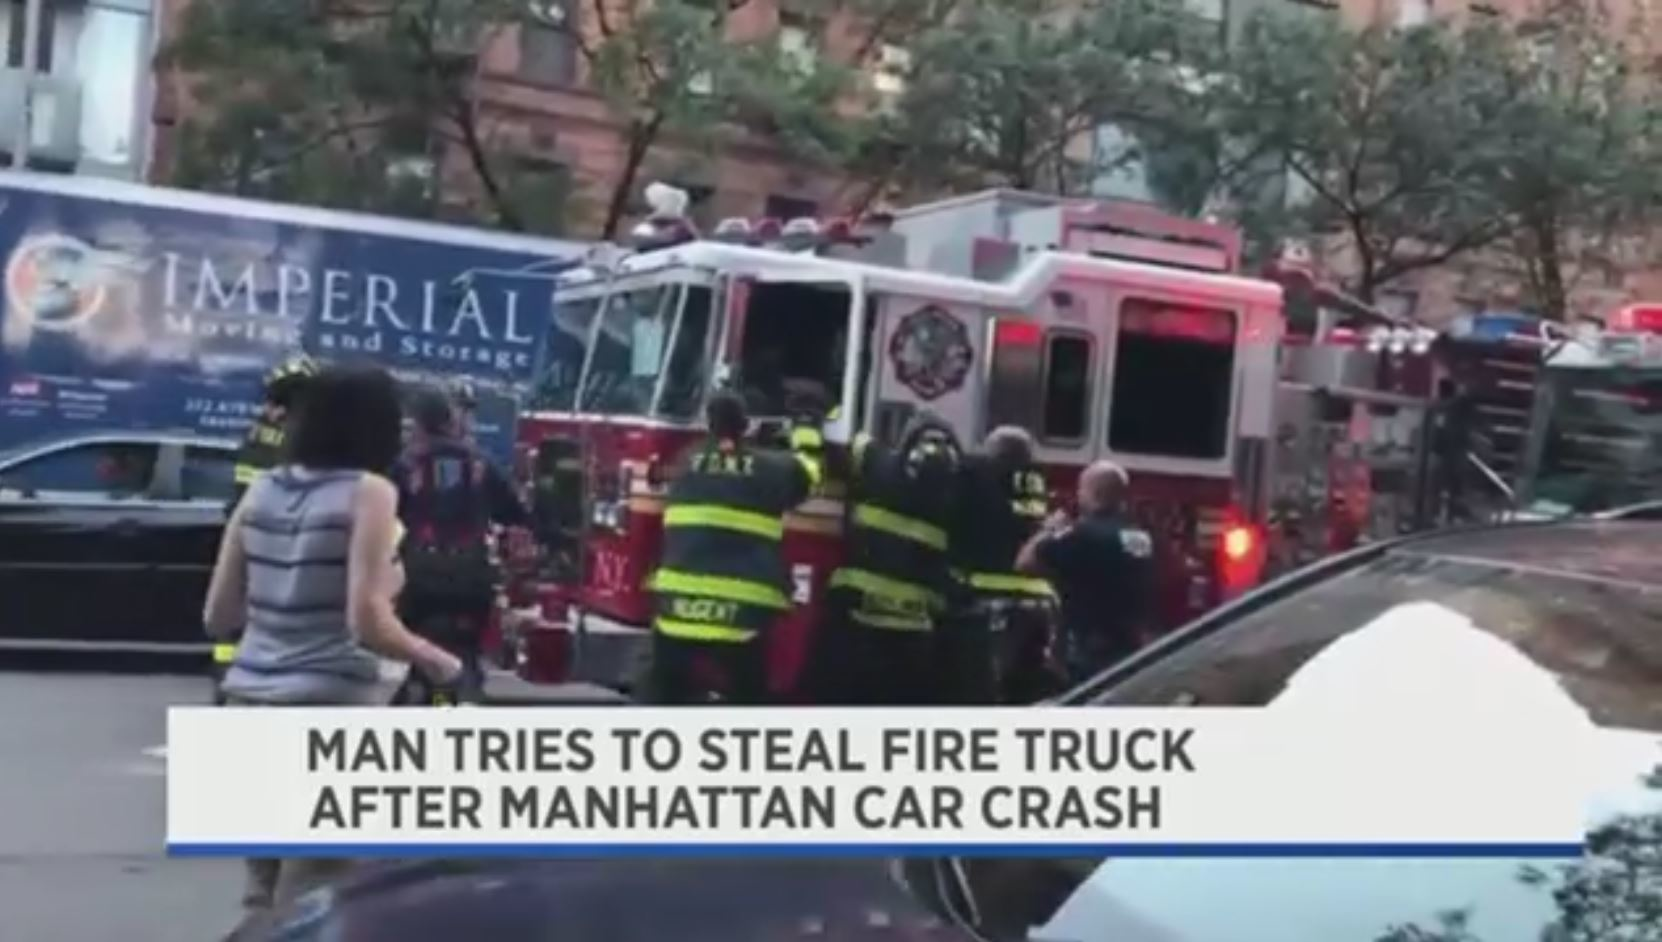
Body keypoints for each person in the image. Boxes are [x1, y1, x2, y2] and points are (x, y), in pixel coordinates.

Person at [202, 364, 463, 938]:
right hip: (328, 709)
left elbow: (218, 615)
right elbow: (367, 619)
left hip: (245, 709)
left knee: (263, 902)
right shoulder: (369, 493)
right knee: (320, 900)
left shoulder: (261, 491)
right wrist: (439, 660)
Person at [647, 389, 820, 705]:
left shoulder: (684, 461)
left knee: (665, 699)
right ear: (746, 426)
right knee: (746, 703)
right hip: (741, 617)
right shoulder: (770, 468)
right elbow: (810, 473)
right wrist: (806, 429)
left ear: (709, 425)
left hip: (675, 608)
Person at [388, 385, 530, 704]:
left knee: (406, 660)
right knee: (466, 659)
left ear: (418, 423)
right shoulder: (481, 464)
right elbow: (516, 514)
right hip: (470, 583)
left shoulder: (404, 465)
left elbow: (382, 519)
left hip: (416, 581)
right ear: (451, 420)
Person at [818, 415, 960, 705]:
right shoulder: (952, 496)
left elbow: (847, 439)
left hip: (857, 618)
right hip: (914, 629)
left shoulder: (879, 463)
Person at [214, 354, 318, 700]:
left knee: (240, 615)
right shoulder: (296, 441)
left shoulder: (260, 433)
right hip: (280, 539)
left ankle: (228, 680)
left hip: (249, 534)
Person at [947, 426, 1060, 704]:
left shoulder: (974, 475)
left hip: (988, 596)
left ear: (992, 453)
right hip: (1037, 603)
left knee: (985, 686)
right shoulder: (1036, 481)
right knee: (1027, 685)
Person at [1015, 460, 1154, 685]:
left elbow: (1025, 563)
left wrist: (1049, 529)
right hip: (1129, 645)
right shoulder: (1140, 536)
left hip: (1090, 650)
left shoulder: (1080, 535)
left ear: (1092, 492)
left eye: (1081, 489)